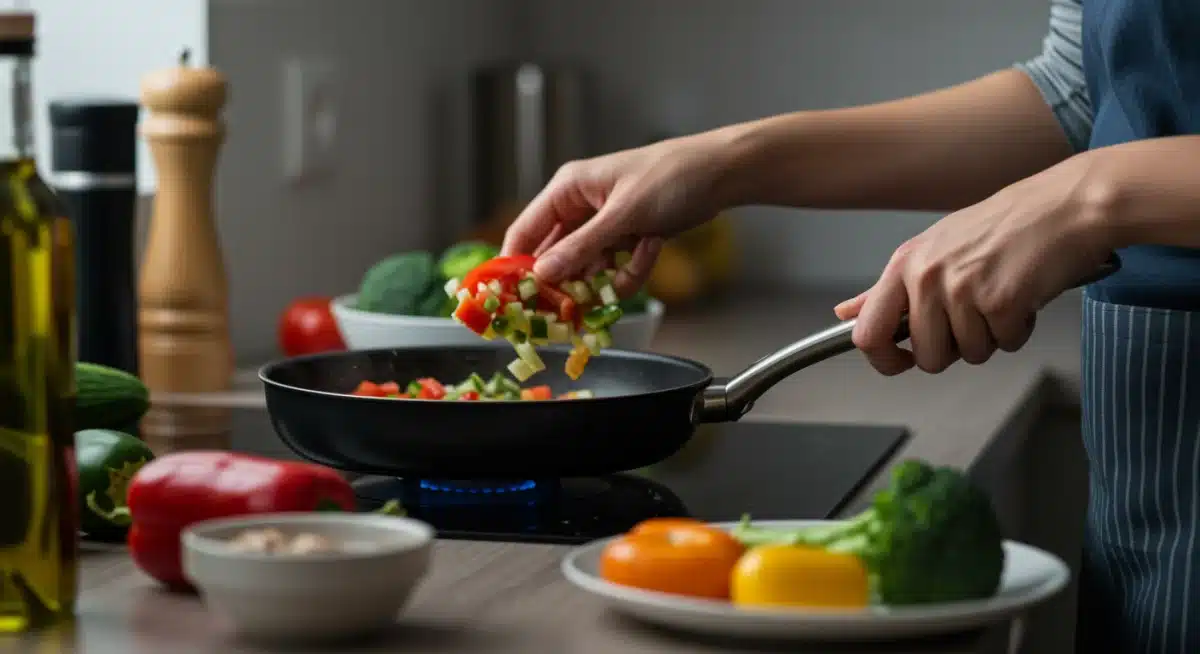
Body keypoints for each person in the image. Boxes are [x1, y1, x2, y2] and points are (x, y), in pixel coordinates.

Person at [500, 0, 1199, 651]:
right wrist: (727, 161)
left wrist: (1088, 196)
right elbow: (1087, 91)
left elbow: (1105, 148)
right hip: (1151, 412)